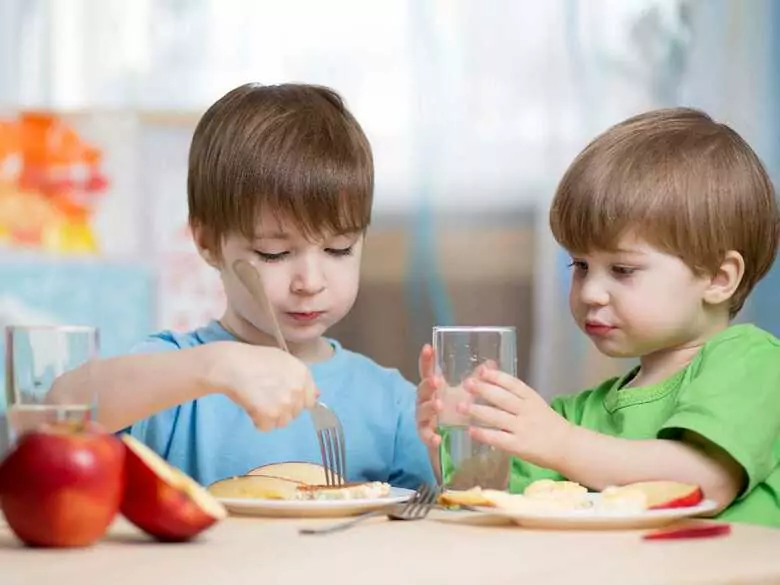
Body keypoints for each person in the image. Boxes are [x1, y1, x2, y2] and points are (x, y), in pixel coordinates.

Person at [54, 82, 435, 489]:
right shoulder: (176, 373)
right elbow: (57, 410)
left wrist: (463, 446)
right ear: (207, 242)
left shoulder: (391, 403)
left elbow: (438, 517)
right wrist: (213, 368)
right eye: (274, 253)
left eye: (339, 249)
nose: (310, 282)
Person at [417, 107, 780, 526]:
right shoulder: (579, 415)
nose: (590, 292)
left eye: (622, 270)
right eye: (580, 265)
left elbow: (702, 482)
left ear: (718, 278)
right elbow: (493, 500)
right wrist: (457, 435)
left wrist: (561, 444)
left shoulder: (753, 362)